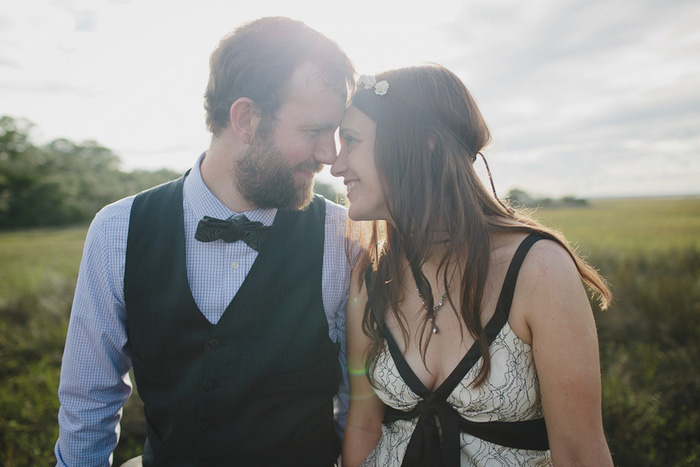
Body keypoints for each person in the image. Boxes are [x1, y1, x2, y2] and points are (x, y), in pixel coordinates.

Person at [55, 17, 355, 466]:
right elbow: (88, 402)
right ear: (246, 119)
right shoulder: (117, 230)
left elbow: (358, 406)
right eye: (314, 131)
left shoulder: (344, 237)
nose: (330, 156)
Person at [331, 66, 614, 466]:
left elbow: (579, 453)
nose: (336, 166)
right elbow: (364, 424)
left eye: (352, 142)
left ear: (423, 143)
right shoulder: (371, 274)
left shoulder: (537, 270)